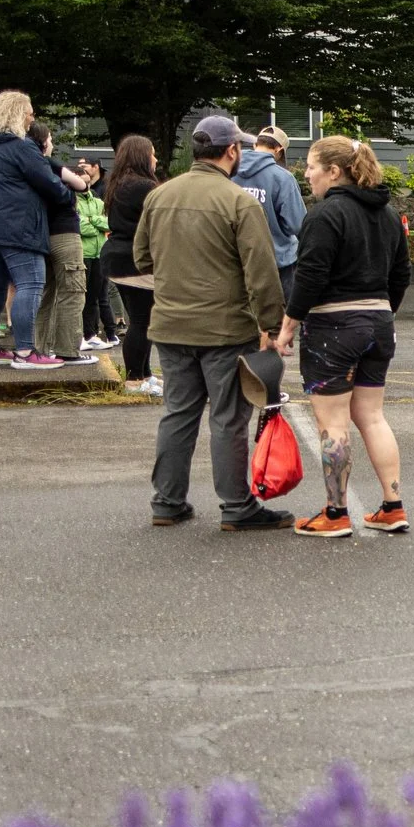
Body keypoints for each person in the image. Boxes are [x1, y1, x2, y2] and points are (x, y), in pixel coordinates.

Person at [133, 113, 288, 529]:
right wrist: (273, 326)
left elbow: (142, 258)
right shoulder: (238, 201)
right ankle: (237, 506)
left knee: (178, 413)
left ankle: (167, 502)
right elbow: (261, 271)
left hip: (170, 324)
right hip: (224, 328)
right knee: (227, 419)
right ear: (233, 150)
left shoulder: (159, 196)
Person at [276, 136, 411, 537]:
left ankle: (335, 514)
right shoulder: (388, 214)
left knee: (333, 422)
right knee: (372, 416)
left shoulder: (324, 215)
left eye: (312, 166)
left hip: (333, 328)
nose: (307, 173)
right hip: (379, 322)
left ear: (335, 172)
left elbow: (311, 275)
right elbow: (401, 275)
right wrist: (381, 311)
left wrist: (288, 326)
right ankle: (392, 505)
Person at [0, 91, 77, 369]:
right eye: (29, 112)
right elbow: (50, 184)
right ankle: (26, 353)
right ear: (17, 114)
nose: (33, 117)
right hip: (17, 227)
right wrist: (68, 196)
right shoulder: (22, 147)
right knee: (31, 283)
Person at [100, 135, 161, 394]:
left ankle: (144, 373)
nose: (156, 159)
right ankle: (135, 379)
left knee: (141, 319)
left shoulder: (117, 183)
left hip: (117, 258)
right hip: (136, 261)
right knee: (142, 321)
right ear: (142, 156)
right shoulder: (144, 186)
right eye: (152, 154)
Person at [32, 121, 91, 365]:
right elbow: (82, 184)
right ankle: (68, 349)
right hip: (65, 234)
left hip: (40, 235)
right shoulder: (48, 163)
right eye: (51, 139)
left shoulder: (24, 166)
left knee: (45, 293)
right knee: (73, 291)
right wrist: (72, 184)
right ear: (44, 141)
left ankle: (39, 349)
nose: (53, 144)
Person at [229, 124, 307, 308]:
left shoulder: (229, 172)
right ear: (279, 150)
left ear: (256, 144)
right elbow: (298, 225)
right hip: (277, 263)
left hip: (236, 259)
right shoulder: (283, 177)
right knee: (276, 322)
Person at [76, 160, 117, 354]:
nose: (86, 185)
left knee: (94, 296)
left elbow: (109, 223)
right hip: (83, 253)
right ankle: (81, 334)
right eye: (82, 182)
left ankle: (91, 334)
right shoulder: (72, 200)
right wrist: (96, 224)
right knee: (80, 297)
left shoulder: (98, 201)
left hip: (99, 253)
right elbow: (79, 225)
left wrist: (92, 221)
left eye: (88, 181)